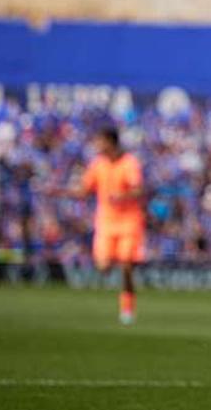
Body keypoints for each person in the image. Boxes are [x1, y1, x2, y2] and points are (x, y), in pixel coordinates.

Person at [72, 126, 145, 324]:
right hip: (106, 223)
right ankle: (113, 264)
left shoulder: (129, 163)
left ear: (110, 142)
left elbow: (139, 190)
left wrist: (123, 195)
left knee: (126, 265)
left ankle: (127, 309)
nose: (96, 145)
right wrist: (57, 190)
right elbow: (84, 190)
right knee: (103, 266)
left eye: (99, 141)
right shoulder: (97, 164)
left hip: (129, 222)